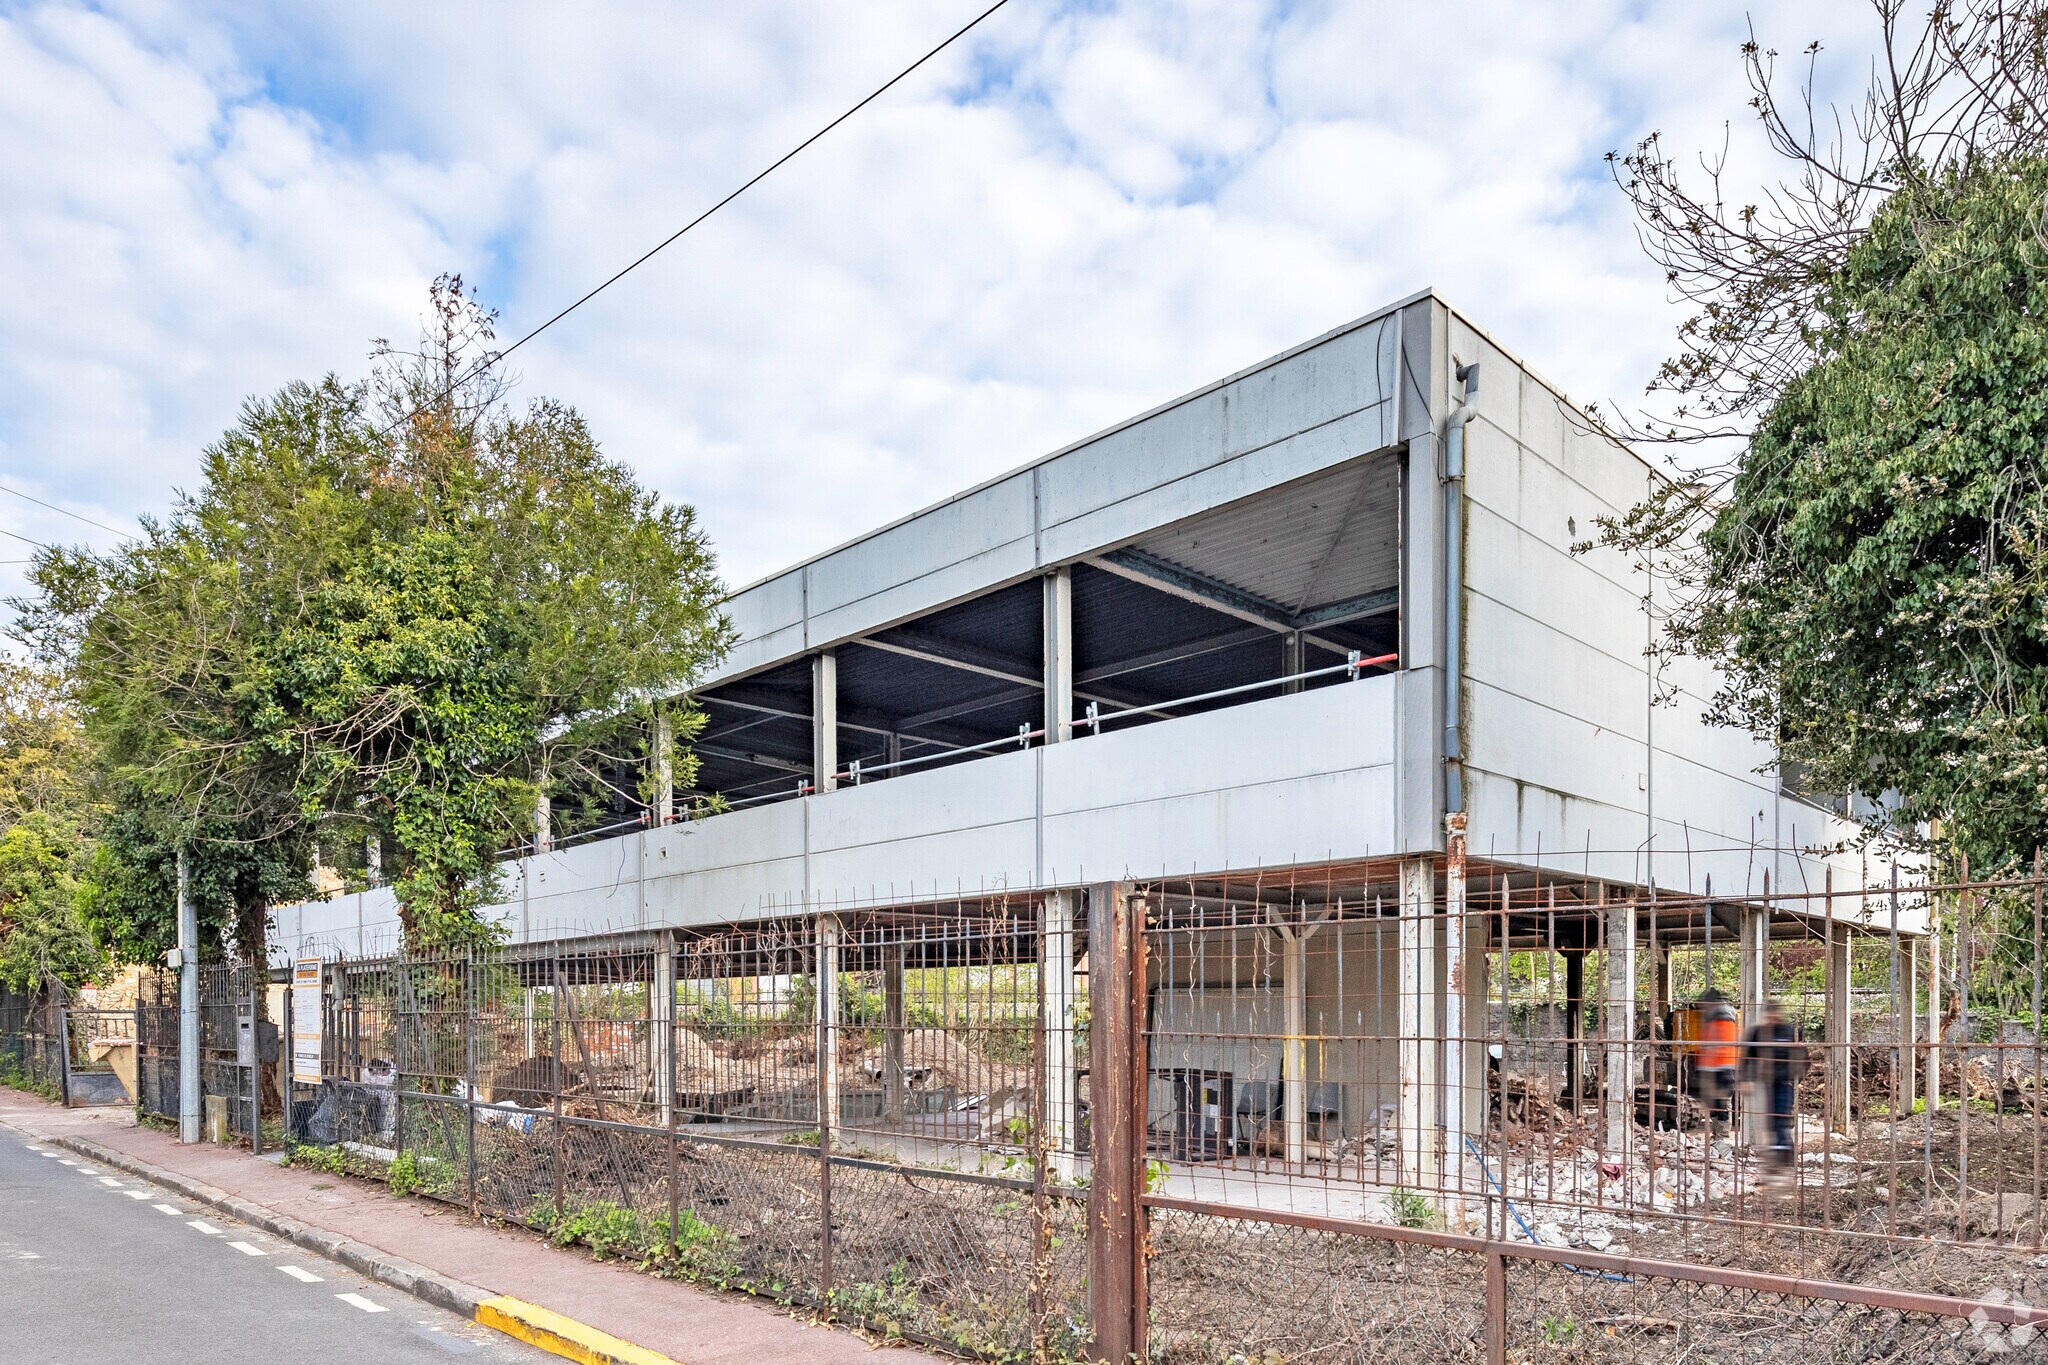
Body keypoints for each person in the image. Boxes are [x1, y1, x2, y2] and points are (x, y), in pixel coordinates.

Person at [1742, 999, 1805, 1177]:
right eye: (1768, 1014)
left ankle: (1783, 1160)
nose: (1771, 1017)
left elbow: (1803, 1057)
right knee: (1772, 1122)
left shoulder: (1790, 1032)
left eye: (1773, 1013)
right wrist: (1746, 1079)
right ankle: (1781, 1159)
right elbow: (1747, 1056)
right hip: (1767, 1083)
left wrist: (1797, 1077)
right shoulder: (1758, 1033)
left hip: (1785, 1082)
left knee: (1779, 1120)